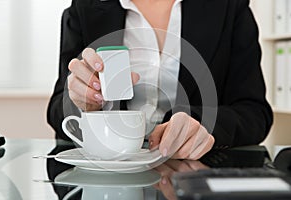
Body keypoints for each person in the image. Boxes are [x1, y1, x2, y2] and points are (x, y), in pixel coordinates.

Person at [47, 0, 273, 160]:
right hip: (110, 174)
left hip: (193, 171)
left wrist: (202, 124)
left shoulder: (229, 6)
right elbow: (57, 109)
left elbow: (254, 112)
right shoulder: (85, 7)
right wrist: (83, 103)